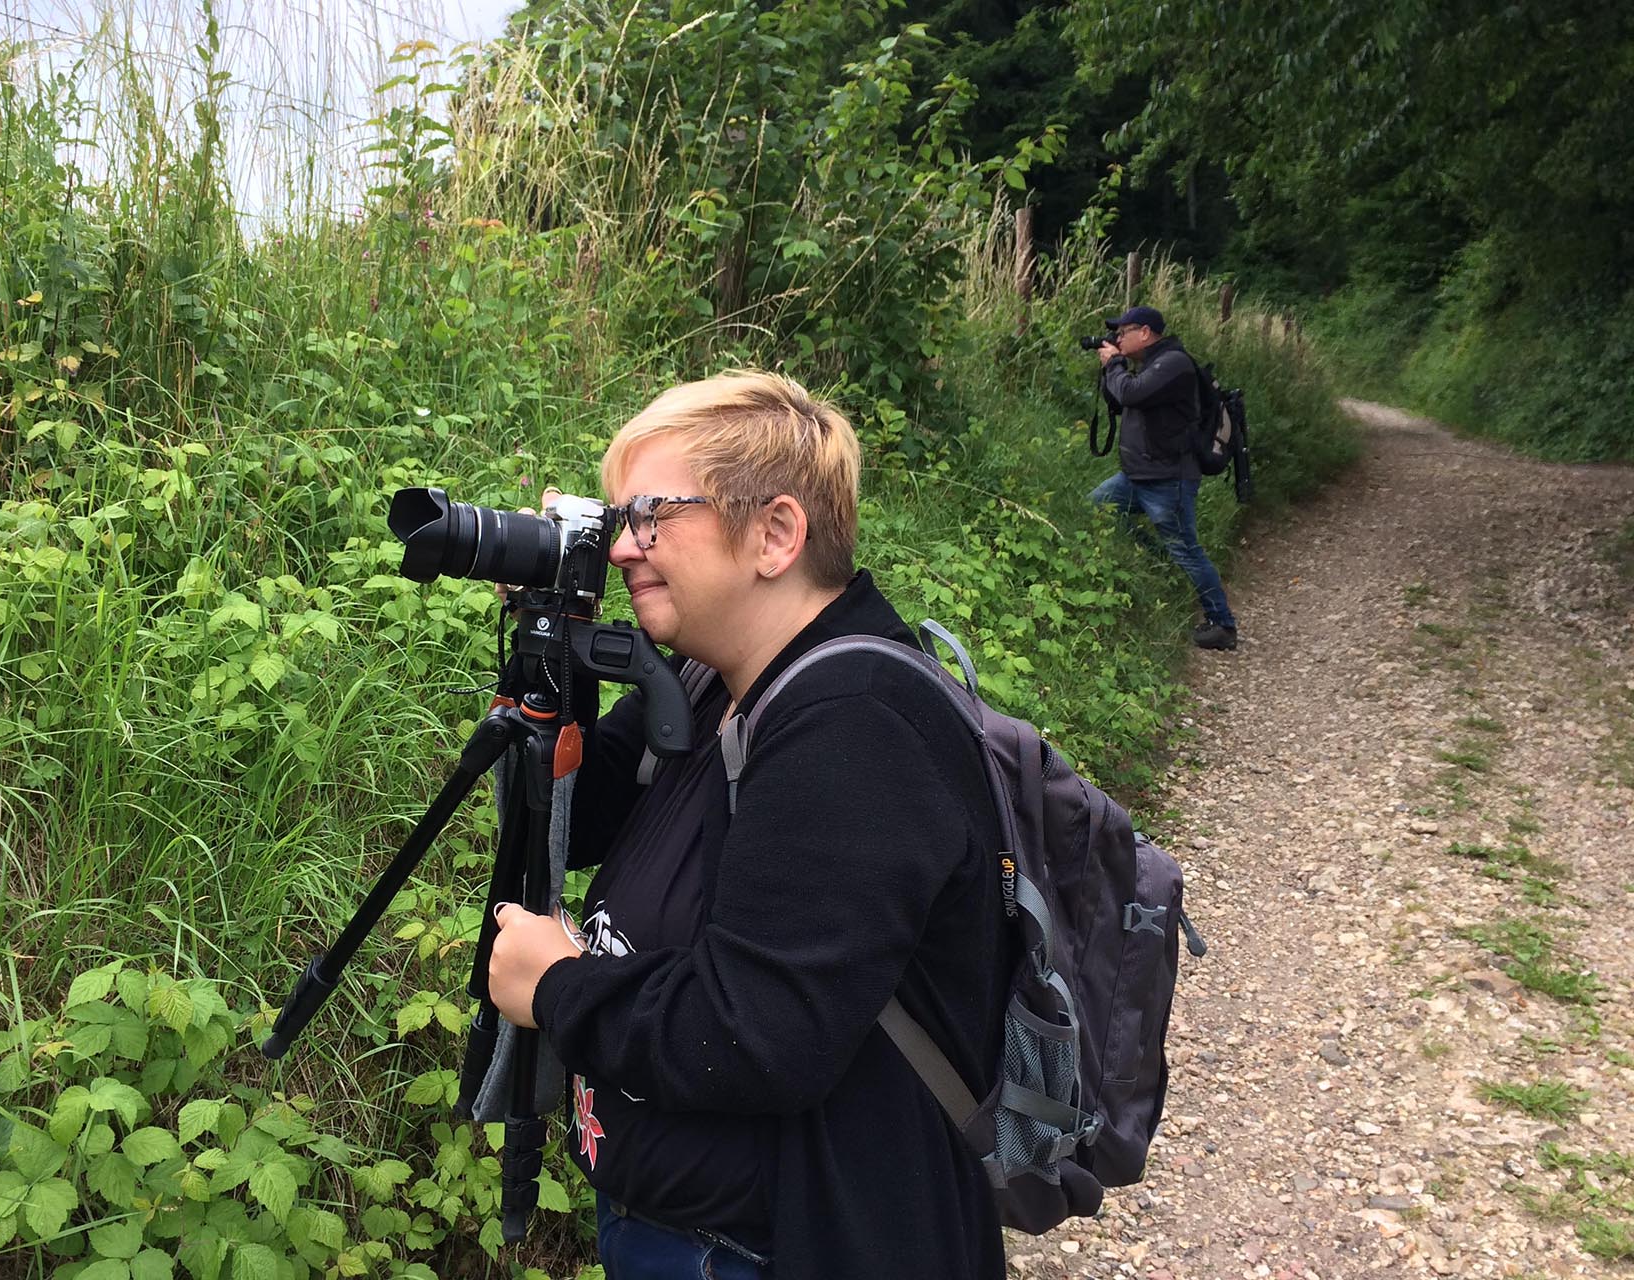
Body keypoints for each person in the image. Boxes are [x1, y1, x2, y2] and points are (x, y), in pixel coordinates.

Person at [486, 371, 1014, 1278]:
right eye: (618, 521)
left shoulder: (853, 726)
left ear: (775, 533)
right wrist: (557, 628)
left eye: (652, 513)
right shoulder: (716, 680)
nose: (623, 548)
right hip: (696, 1225)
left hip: (788, 1248)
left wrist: (562, 986)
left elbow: (758, 1035)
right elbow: (571, 811)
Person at [1090, 304, 1239, 650]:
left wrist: (1114, 364)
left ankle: (1223, 624)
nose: (1117, 339)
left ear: (1145, 332)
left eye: (1122, 332)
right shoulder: (1151, 366)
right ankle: (1160, 563)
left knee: (1186, 550)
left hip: (1168, 480)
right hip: (1138, 476)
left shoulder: (1173, 363)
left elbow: (1129, 392)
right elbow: (1120, 398)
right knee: (1096, 511)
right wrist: (1113, 369)